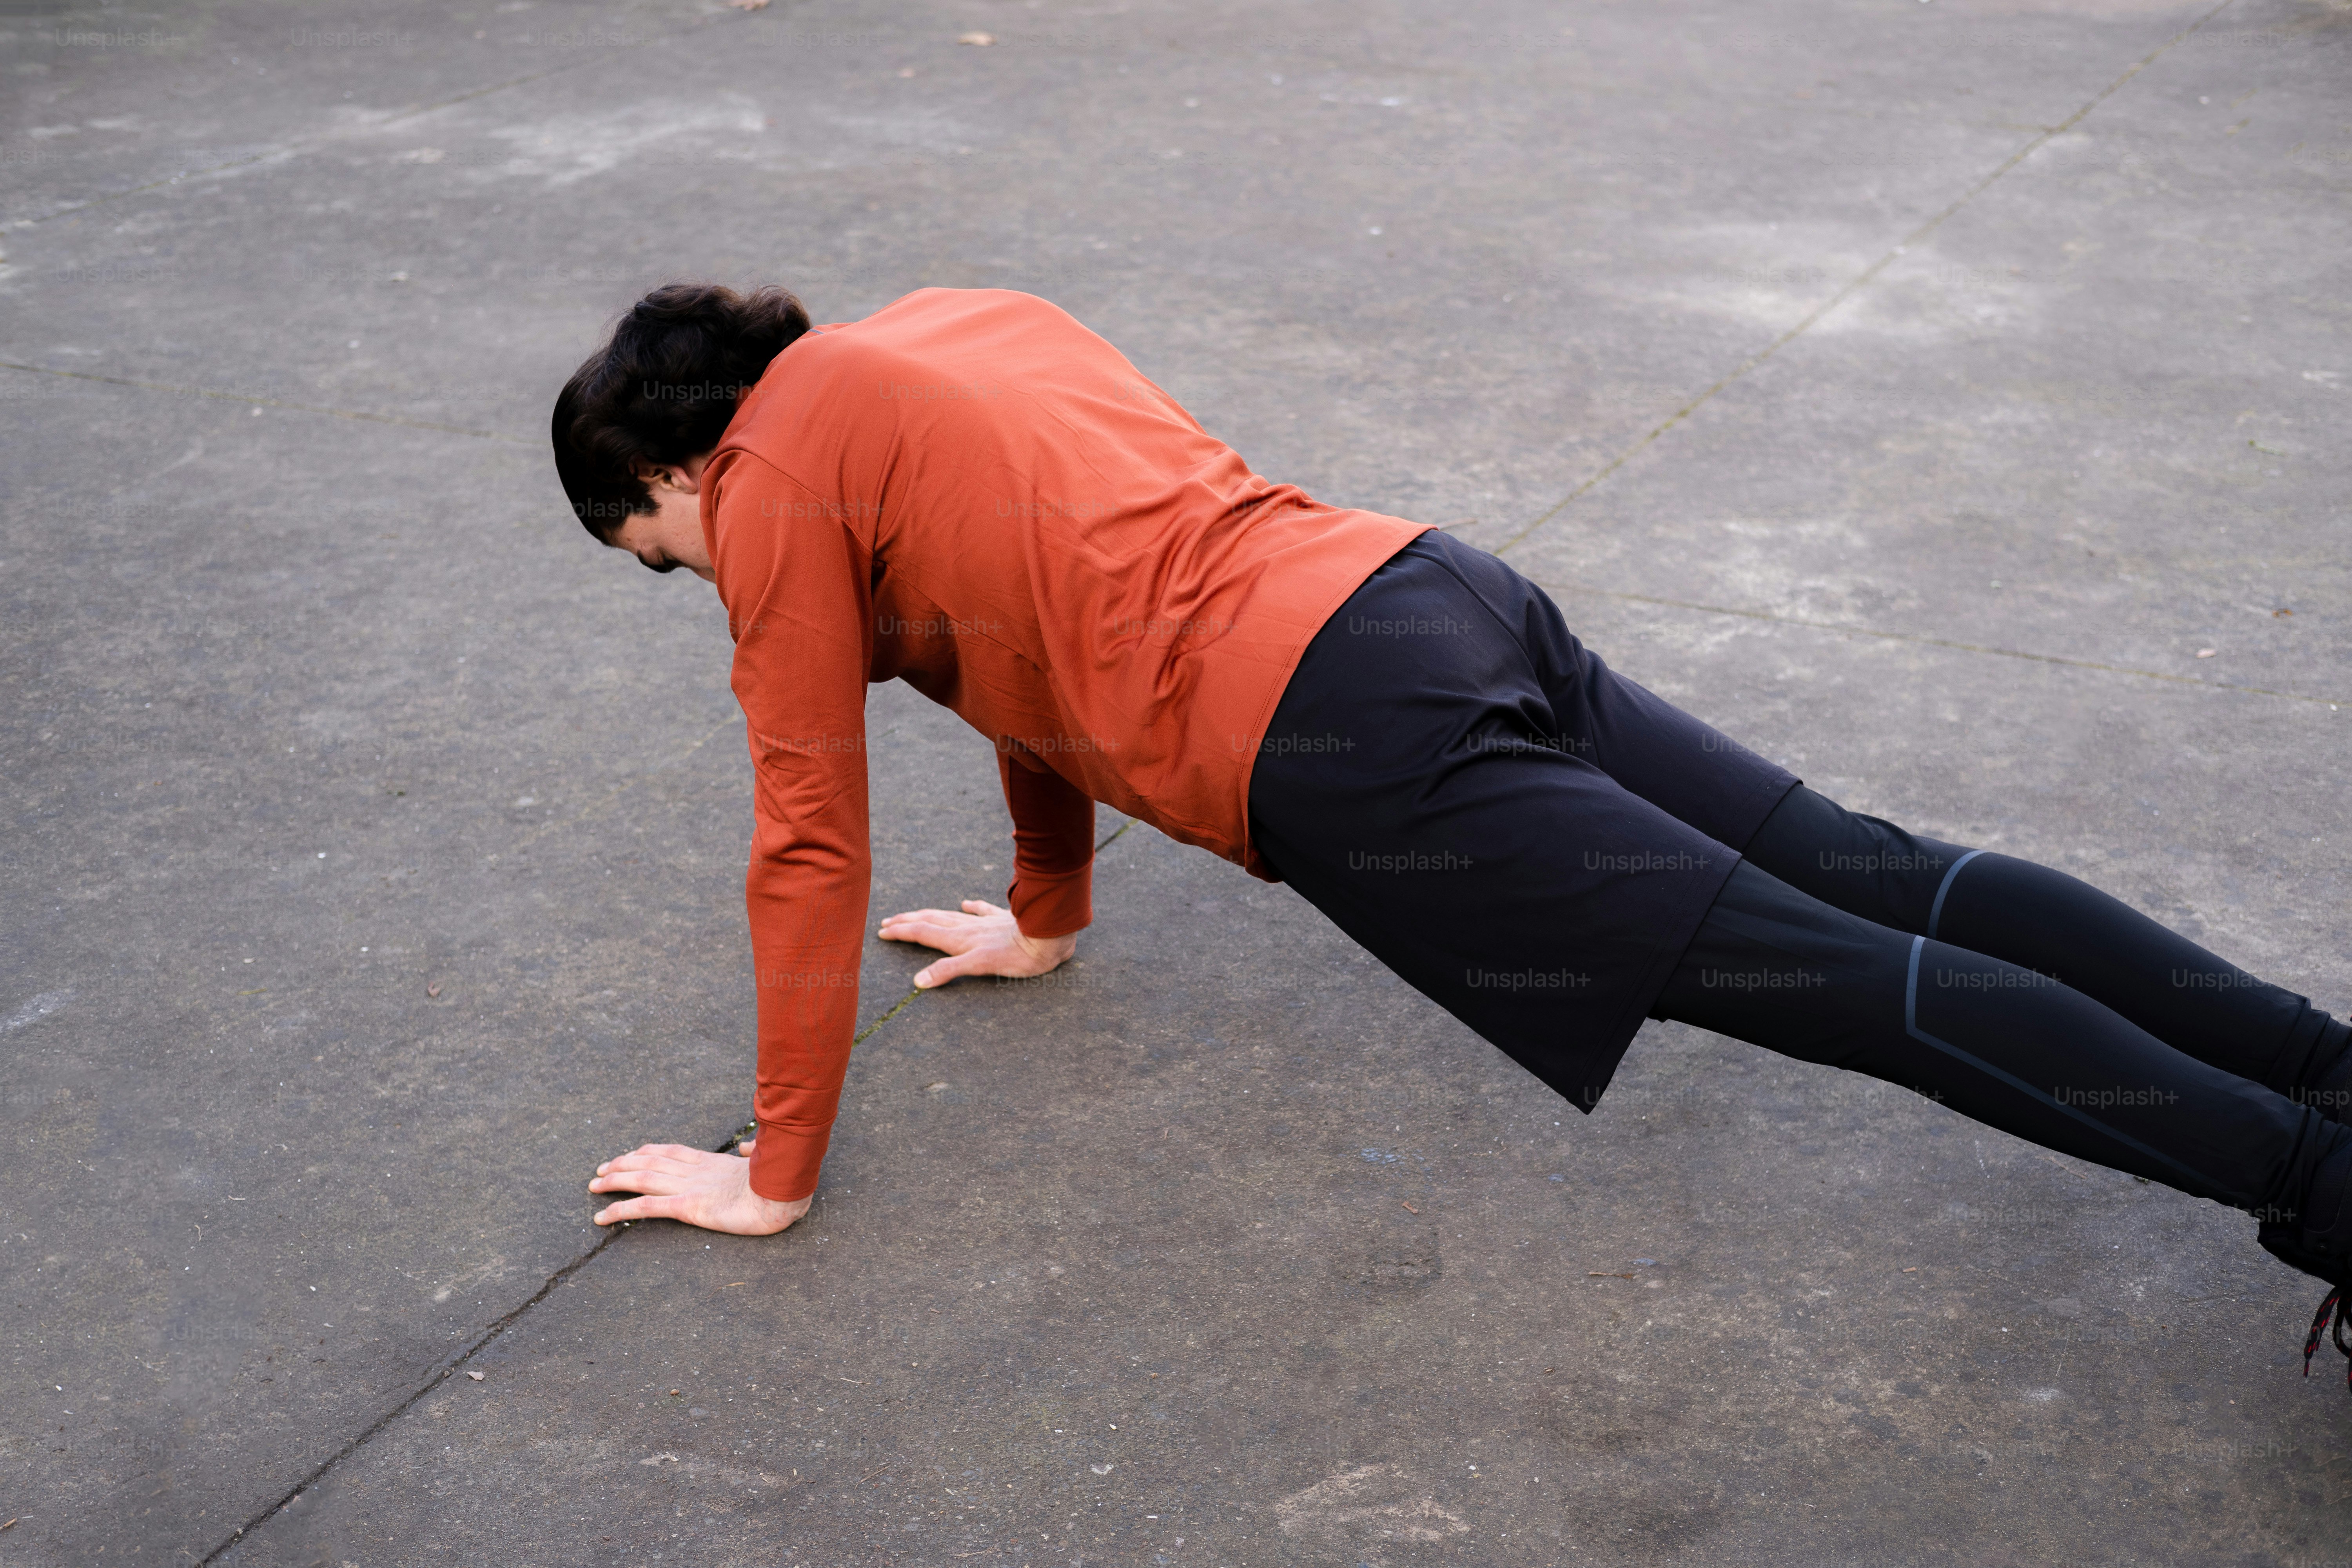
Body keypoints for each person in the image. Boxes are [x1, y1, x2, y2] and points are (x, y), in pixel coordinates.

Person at [551, 283, 2352, 1387]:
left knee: (1853, 985)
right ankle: (2326, 1069)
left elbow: (809, 839)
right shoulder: (942, 333)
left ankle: (2331, 1188)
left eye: (662, 560)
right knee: (1874, 868)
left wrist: (775, 1168)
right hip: (1420, 589)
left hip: (1354, 745)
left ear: (671, 476)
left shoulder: (769, 491)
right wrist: (1049, 908)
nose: (703, 579)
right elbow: (1027, 627)